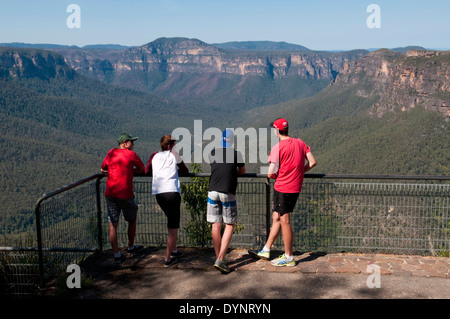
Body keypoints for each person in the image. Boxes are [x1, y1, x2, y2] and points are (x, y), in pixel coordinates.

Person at [249, 118, 317, 266]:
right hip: (295, 187)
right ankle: (266, 249)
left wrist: (274, 176)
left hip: (283, 188)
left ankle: (289, 257)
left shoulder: (277, 147)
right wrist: (300, 172)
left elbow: (270, 173)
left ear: (277, 131)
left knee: (285, 221)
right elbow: (312, 162)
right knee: (276, 217)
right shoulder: (300, 143)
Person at [101, 132, 145, 264]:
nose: (133, 144)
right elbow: (142, 169)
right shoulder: (131, 154)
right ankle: (131, 246)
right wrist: (130, 171)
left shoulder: (111, 152)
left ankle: (116, 254)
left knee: (113, 223)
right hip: (125, 193)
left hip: (110, 193)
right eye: (132, 142)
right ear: (125, 142)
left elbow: (103, 168)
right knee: (131, 219)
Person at [145, 135, 188, 267]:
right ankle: (168, 259)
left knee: (170, 221)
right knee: (173, 227)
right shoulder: (174, 155)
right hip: (172, 192)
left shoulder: (154, 155)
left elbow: (147, 171)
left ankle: (174, 250)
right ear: (169, 146)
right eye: (174, 145)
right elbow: (185, 170)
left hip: (159, 193)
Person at [207, 129, 245, 273]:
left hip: (212, 191)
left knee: (216, 225)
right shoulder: (236, 153)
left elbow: (215, 166)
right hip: (227, 191)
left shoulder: (213, 152)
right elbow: (242, 171)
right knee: (230, 224)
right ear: (232, 141)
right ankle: (220, 259)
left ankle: (219, 258)